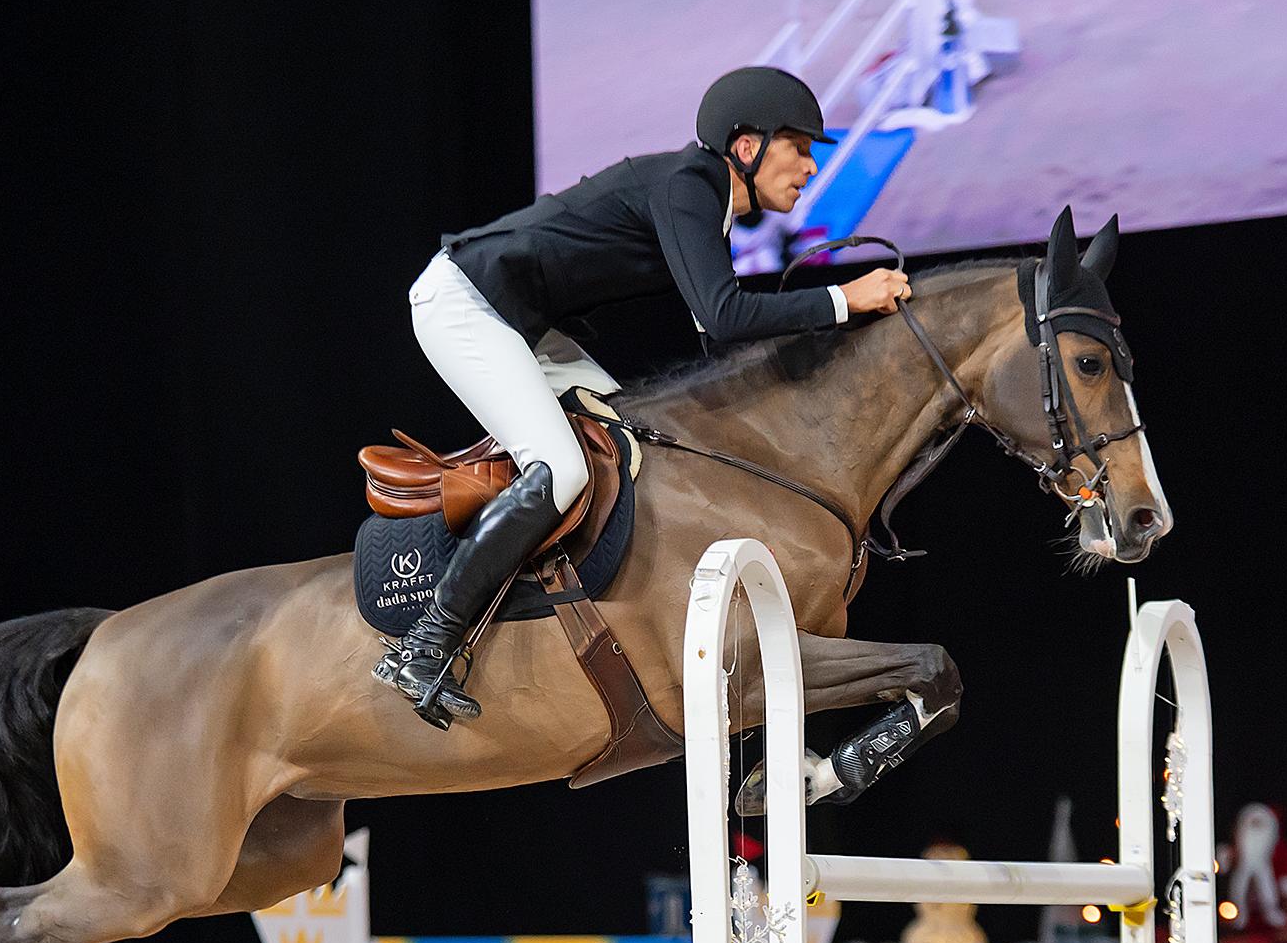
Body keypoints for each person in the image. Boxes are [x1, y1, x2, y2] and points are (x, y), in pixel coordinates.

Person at [378, 66, 915, 724]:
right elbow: (724, 317)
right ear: (747, 148)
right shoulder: (689, 187)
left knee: (630, 442)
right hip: (465, 303)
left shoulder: (704, 204)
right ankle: (426, 642)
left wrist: (840, 330)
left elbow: (718, 336)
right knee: (567, 467)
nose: (808, 167)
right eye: (798, 148)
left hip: (523, 322)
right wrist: (845, 297)